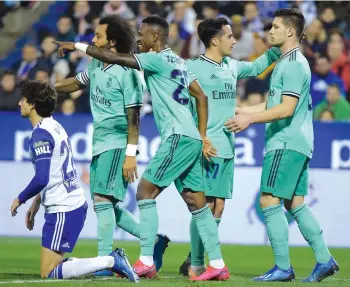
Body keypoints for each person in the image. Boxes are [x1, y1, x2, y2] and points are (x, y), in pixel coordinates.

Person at [54, 15, 229, 281]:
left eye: (142, 34)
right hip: (191, 136)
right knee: (197, 202)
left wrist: (75, 45)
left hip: (176, 136)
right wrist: (202, 135)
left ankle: (146, 260)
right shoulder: (179, 62)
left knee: (145, 191)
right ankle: (217, 264)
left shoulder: (155, 58)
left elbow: (114, 58)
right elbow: (201, 96)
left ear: (155, 38)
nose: (138, 38)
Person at [225, 8, 339, 282]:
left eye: (275, 26)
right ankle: (324, 260)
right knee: (295, 203)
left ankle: (283, 268)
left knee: (268, 199)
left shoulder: (292, 64)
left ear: (290, 31)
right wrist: (245, 110)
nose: (270, 31)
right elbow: (277, 103)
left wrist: (250, 120)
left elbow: (286, 109)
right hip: (299, 141)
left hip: (285, 140)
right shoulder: (291, 63)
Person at [54, 15, 169, 277]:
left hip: (118, 143)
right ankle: (152, 239)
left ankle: (105, 262)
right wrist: (48, 89)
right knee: (106, 204)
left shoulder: (127, 72)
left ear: (112, 41)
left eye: (98, 36)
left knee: (102, 199)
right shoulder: (97, 65)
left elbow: (134, 116)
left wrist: (131, 155)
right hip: (100, 142)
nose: (93, 40)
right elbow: (76, 82)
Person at [179, 18, 280, 278]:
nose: (234, 41)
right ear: (215, 40)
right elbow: (181, 107)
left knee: (218, 208)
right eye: (229, 36)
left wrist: (279, 46)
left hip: (228, 146)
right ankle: (197, 262)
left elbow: (258, 66)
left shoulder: (231, 66)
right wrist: (199, 138)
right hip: (207, 147)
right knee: (204, 206)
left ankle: (198, 257)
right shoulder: (191, 67)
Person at [10, 80, 138, 282]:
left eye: (23, 99)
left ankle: (110, 261)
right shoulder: (54, 126)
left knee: (49, 273)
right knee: (52, 268)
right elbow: (53, 172)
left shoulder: (40, 135)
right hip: (69, 204)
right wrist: (36, 203)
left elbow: (42, 177)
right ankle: (108, 260)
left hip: (63, 208)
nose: (19, 103)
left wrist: (20, 198)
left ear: (33, 104)